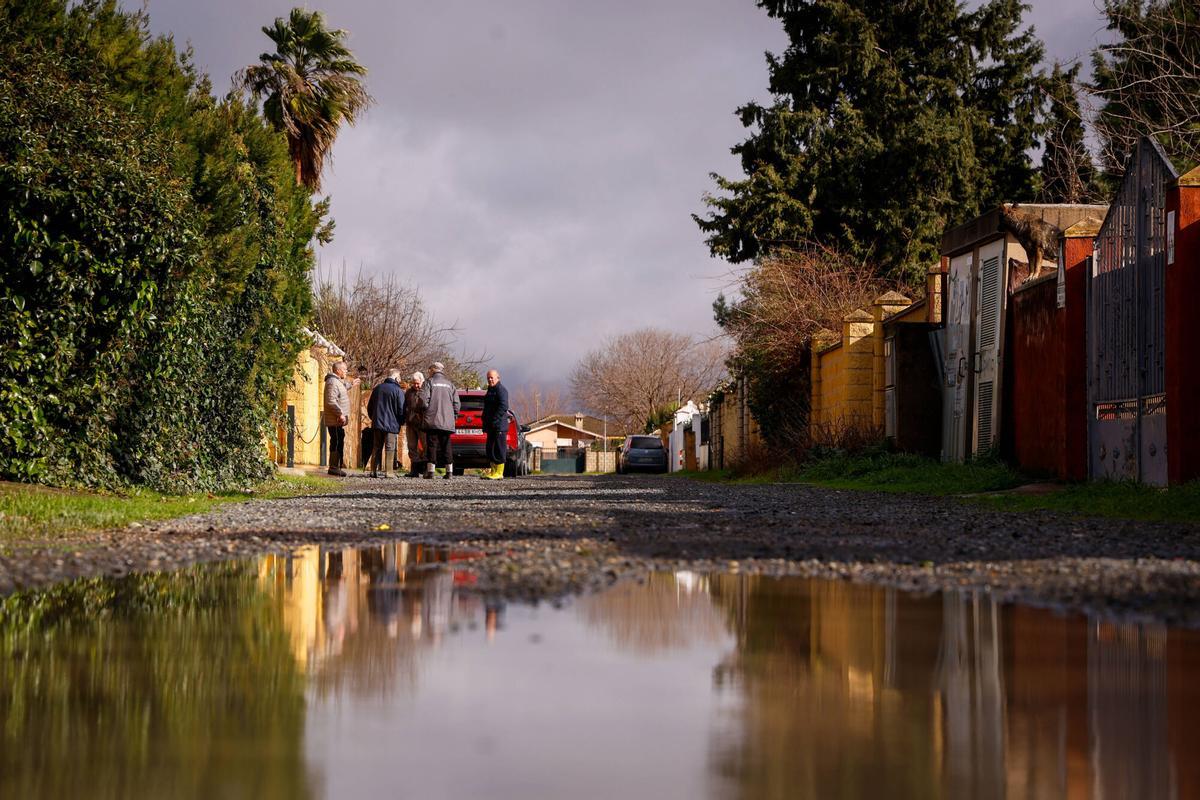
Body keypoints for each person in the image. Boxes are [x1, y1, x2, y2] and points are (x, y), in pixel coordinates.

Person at [419, 361, 460, 479]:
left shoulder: (429, 382)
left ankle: (431, 472)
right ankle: (449, 472)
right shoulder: (450, 385)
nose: (429, 371)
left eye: (430, 369)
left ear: (433, 369)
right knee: (446, 445)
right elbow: (457, 403)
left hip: (432, 420)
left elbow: (423, 400)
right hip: (447, 421)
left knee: (432, 445)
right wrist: (454, 416)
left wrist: (425, 410)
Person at [366, 369, 405, 478]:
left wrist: (373, 418)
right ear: (396, 378)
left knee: (377, 446)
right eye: (400, 378)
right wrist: (401, 422)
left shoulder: (377, 388)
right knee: (390, 447)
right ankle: (389, 472)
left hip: (377, 423)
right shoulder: (398, 391)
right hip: (391, 424)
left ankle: (373, 471)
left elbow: (370, 407)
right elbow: (401, 409)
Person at [323, 360, 357, 476]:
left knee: (338, 440)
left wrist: (352, 384)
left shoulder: (336, 381)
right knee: (336, 441)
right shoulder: (332, 382)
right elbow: (331, 401)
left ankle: (337, 465)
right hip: (335, 420)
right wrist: (339, 414)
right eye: (344, 369)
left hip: (337, 420)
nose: (346, 372)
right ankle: (334, 467)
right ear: (338, 371)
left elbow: (342, 387)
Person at [481, 369, 510, 480]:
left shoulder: (501, 390)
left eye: (492, 377)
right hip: (491, 426)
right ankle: (493, 471)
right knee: (490, 449)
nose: (490, 379)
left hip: (499, 426)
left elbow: (503, 406)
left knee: (499, 449)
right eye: (488, 378)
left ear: (498, 378)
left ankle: (499, 473)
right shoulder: (490, 390)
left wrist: (495, 419)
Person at [403, 371, 427, 477]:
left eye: (417, 383)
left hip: (423, 423)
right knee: (411, 446)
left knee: (425, 446)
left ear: (422, 381)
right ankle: (414, 470)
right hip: (411, 423)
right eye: (414, 383)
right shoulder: (409, 392)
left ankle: (426, 469)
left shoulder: (426, 391)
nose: (416, 385)